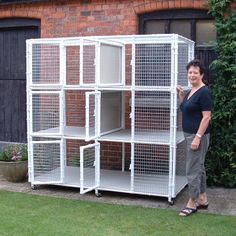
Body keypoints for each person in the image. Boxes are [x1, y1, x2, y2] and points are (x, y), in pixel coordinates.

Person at [176, 59, 213, 217]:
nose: (192, 75)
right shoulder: (192, 90)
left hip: (198, 135)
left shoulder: (204, 92)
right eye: (190, 72)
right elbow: (187, 109)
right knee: (199, 167)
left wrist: (197, 137)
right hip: (190, 134)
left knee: (192, 169)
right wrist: (181, 97)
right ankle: (203, 199)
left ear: (201, 74)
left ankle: (192, 202)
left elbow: (206, 117)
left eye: (195, 73)